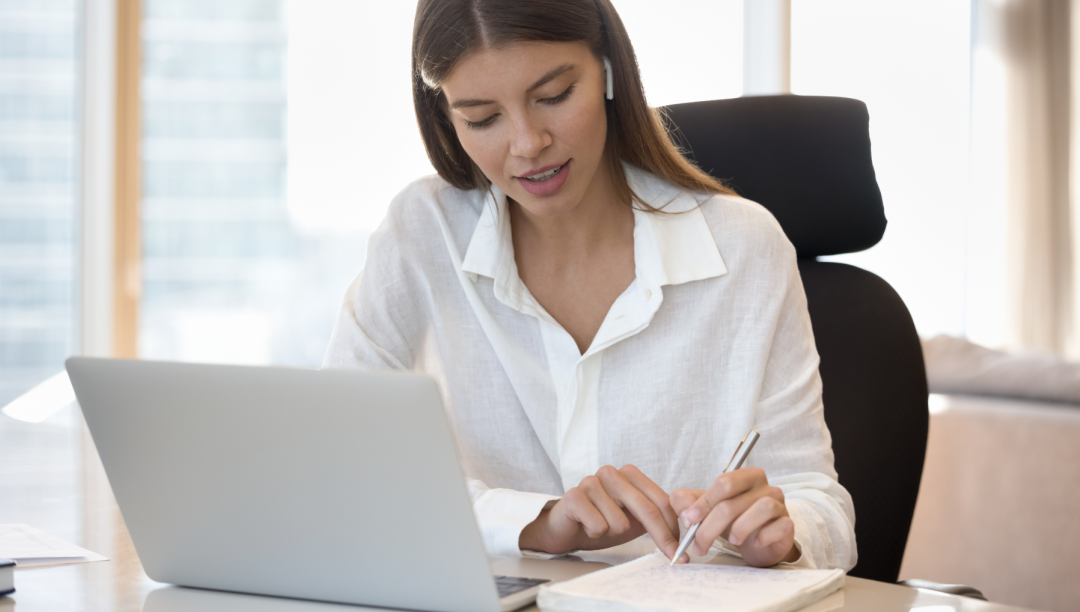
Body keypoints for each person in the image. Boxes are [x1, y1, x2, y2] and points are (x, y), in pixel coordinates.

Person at [324, 0, 856, 571]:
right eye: (481, 118)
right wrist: (535, 524)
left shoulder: (744, 247)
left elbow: (818, 502)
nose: (527, 144)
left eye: (553, 96)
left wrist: (785, 534)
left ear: (606, 68)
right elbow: (335, 472)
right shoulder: (421, 234)